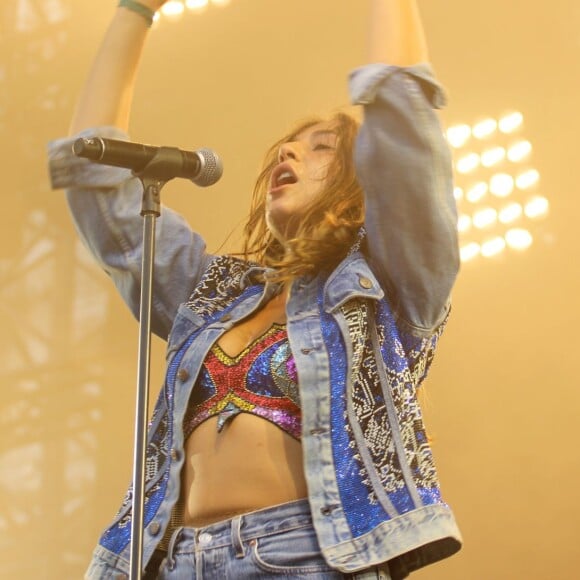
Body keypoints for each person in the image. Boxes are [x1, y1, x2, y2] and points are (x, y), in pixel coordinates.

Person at [48, 0, 462, 578]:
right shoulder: (215, 292)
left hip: (310, 556)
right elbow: (96, 182)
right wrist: (135, 10)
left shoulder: (389, 280)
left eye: (321, 146)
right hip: (173, 559)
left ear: (360, 182)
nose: (288, 152)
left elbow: (402, 117)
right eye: (285, 147)